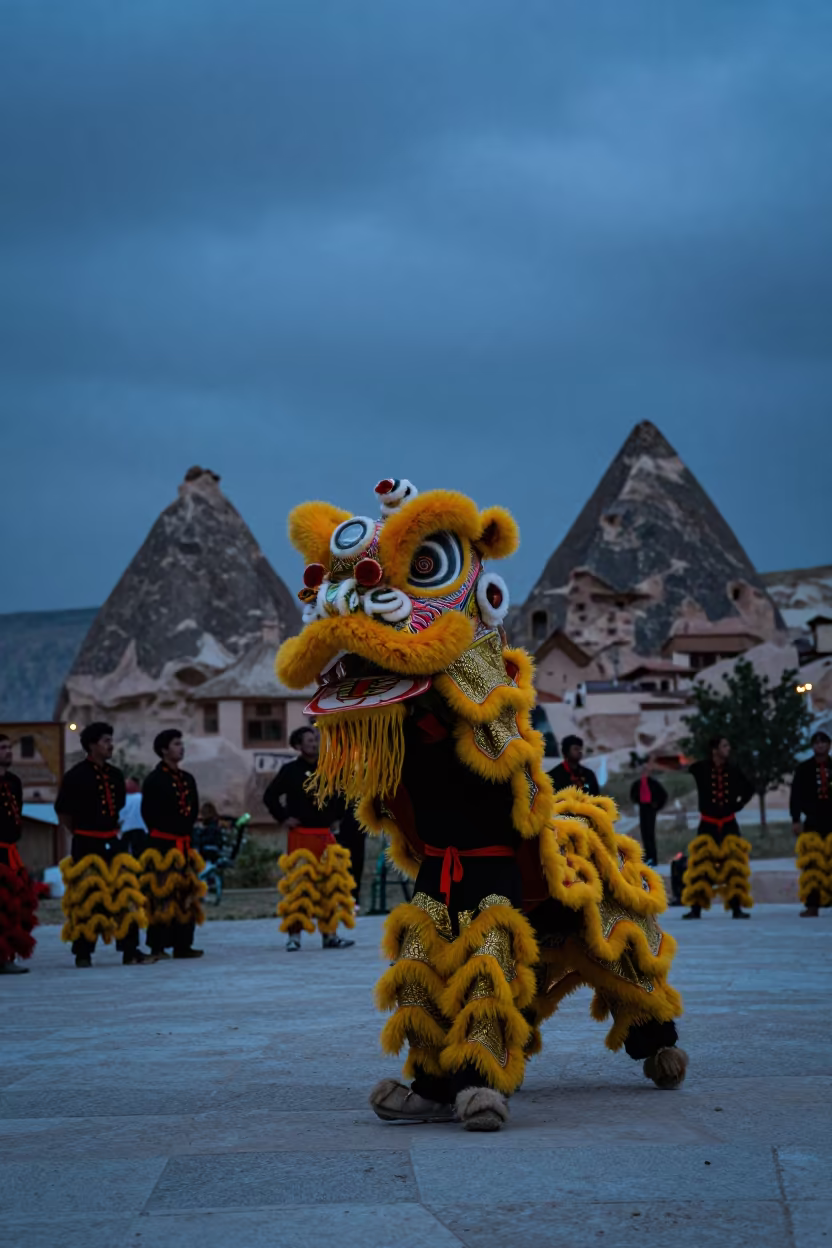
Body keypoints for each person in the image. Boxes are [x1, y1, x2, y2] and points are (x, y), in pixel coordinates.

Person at [275, 477, 686, 1132]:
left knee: (489, 955)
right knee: (417, 958)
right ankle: (433, 1080)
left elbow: (508, 776)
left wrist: (439, 706)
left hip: (496, 864)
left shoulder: (478, 693)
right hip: (440, 868)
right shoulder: (390, 716)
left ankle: (488, 1080)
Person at [55, 722, 148, 967]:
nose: (111, 745)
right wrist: (80, 833)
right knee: (87, 898)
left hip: (112, 842)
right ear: (92, 745)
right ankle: (83, 953)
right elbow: (63, 813)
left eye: (111, 740)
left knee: (125, 894)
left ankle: (130, 950)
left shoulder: (116, 775)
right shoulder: (75, 776)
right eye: (106, 740)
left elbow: (116, 808)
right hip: (86, 843)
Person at [264, 725, 355, 951]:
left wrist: (337, 818)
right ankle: (294, 936)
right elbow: (270, 796)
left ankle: (330, 935)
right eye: (308, 740)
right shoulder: (290, 770)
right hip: (301, 836)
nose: (314, 743)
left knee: (330, 884)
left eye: (315, 739)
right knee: (299, 886)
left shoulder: (330, 768)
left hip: (325, 835)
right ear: (297, 746)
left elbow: (344, 794)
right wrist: (284, 818)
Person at [139, 730, 206, 959]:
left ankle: (183, 944)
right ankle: (157, 945)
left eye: (181, 743)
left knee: (185, 896)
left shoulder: (188, 779)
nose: (181, 747)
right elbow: (148, 813)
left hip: (185, 845)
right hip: (162, 846)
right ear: (164, 750)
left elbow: (193, 808)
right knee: (161, 896)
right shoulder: (154, 779)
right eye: (176, 744)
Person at [681, 736, 755, 920]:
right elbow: (683, 771)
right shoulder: (700, 769)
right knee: (701, 866)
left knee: (734, 866)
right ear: (715, 749)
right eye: (724, 745)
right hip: (707, 824)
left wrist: (738, 805)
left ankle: (736, 907)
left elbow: (749, 788)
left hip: (729, 823)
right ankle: (696, 908)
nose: (728, 748)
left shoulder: (733, 769)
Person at [0, 733, 42, 974]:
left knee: (13, 907)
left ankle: (7, 954)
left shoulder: (14, 781)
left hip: (11, 852)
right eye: (2, 748)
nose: (8, 751)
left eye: (8, 747)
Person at [791, 730, 832, 918]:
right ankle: (812, 905)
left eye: (824, 743)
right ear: (812, 746)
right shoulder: (804, 769)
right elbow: (796, 796)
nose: (820, 746)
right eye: (817, 743)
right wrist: (796, 819)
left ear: (829, 746)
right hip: (813, 821)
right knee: (812, 865)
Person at [629, 760, 668, 866]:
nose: (644, 772)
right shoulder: (638, 783)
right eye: (643, 770)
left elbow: (664, 795)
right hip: (643, 807)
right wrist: (637, 801)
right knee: (644, 832)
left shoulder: (654, 783)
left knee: (650, 833)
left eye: (646, 770)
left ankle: (653, 858)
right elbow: (633, 794)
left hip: (651, 808)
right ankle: (648, 857)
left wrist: (657, 805)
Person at [119, 777, 148, 858]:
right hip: (143, 830)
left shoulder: (123, 799)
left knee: (127, 857)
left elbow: (119, 817)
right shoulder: (143, 798)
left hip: (127, 831)